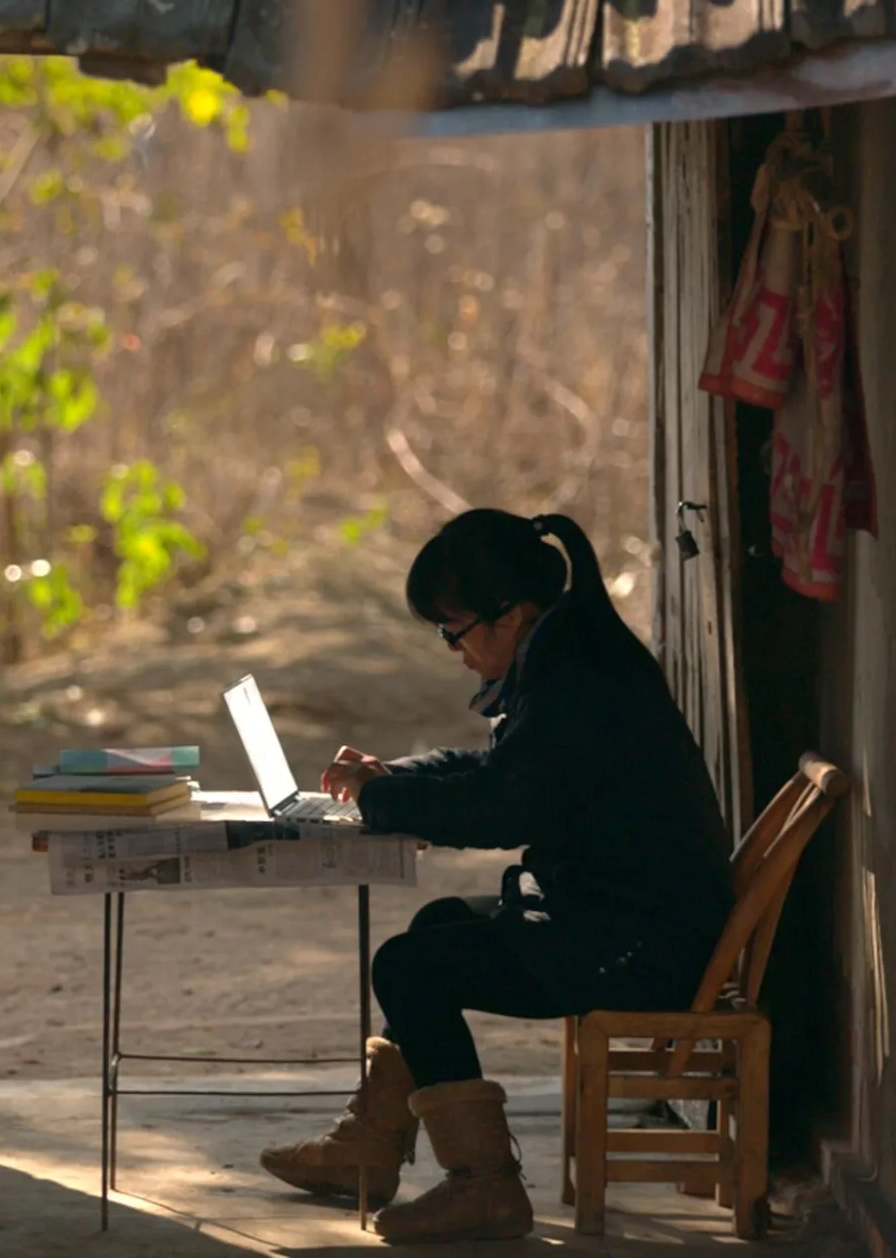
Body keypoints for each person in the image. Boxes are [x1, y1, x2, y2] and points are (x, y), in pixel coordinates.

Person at [258, 509, 734, 1243]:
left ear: (509, 614)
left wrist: (384, 798)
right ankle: (368, 1144)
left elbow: (499, 808)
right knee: (438, 923)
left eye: (454, 630)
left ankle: (483, 1186)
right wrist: (392, 778)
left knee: (408, 967)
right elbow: (496, 771)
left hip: (637, 946)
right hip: (622, 915)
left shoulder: (577, 677)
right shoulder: (568, 650)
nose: (453, 649)